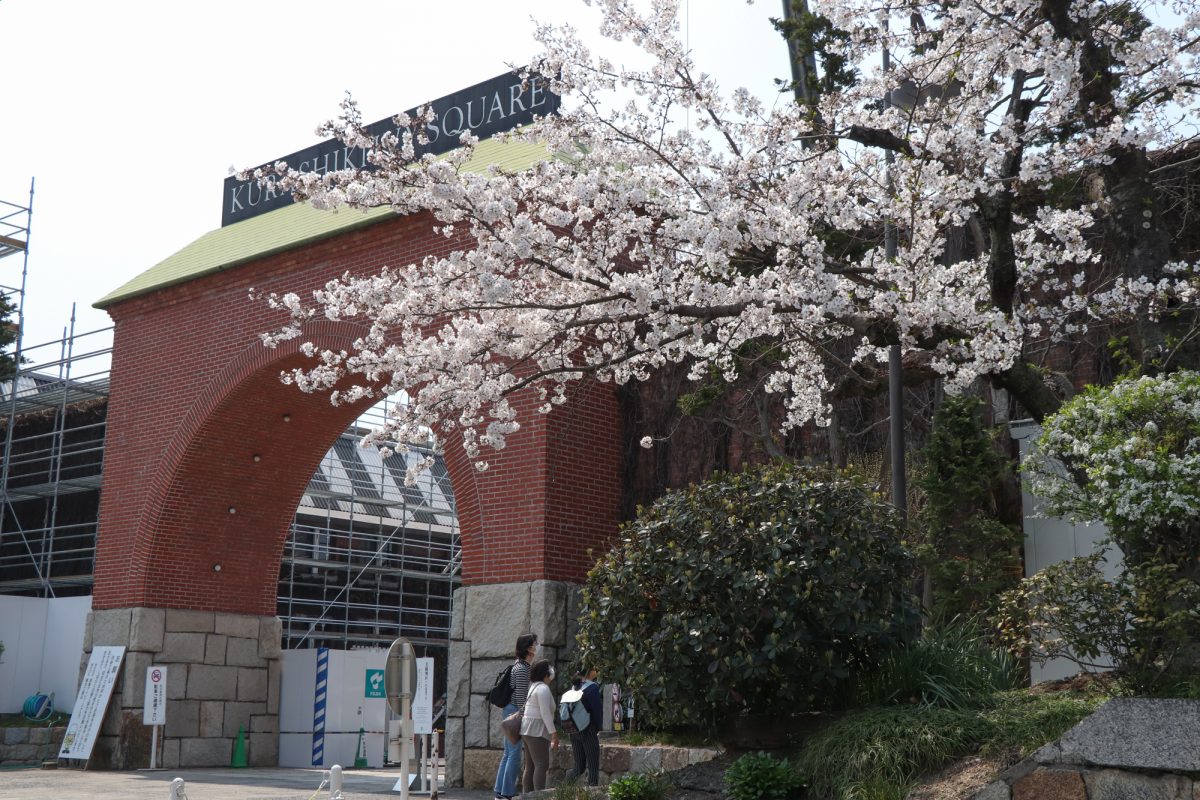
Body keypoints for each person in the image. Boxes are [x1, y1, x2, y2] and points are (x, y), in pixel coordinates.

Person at [494, 633, 537, 800]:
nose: (537, 646)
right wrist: (524, 716)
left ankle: (500, 791)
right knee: (514, 754)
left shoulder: (519, 665)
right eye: (535, 643)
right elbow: (520, 698)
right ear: (528, 648)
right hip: (514, 712)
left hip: (510, 711)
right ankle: (507, 793)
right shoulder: (522, 668)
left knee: (508, 753)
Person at [519, 658, 559, 793]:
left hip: (527, 729)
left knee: (530, 767)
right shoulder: (543, 689)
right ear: (545, 673)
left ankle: (527, 795)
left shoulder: (534, 686)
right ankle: (538, 796)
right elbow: (545, 713)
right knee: (541, 765)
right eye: (549, 668)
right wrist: (554, 734)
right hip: (537, 731)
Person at [565, 666, 603, 786]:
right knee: (592, 767)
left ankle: (563, 790)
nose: (596, 670)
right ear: (589, 671)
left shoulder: (575, 687)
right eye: (594, 668)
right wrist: (598, 728)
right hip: (588, 729)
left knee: (578, 767)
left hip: (573, 728)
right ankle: (592, 793)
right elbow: (597, 711)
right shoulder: (592, 687)